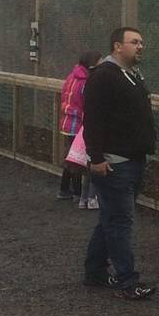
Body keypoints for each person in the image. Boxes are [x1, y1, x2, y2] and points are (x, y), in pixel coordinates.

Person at [82, 26, 158, 300]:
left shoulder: (131, 76)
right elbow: (93, 119)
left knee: (110, 219)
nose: (140, 46)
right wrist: (97, 158)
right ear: (117, 46)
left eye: (141, 42)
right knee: (120, 222)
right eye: (134, 42)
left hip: (133, 159)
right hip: (115, 163)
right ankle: (128, 281)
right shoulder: (103, 77)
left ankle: (95, 271)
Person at [58, 51, 101, 208]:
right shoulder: (85, 82)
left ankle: (65, 189)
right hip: (78, 123)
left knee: (72, 156)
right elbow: (86, 102)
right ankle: (76, 192)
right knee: (78, 159)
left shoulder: (72, 76)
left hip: (67, 120)